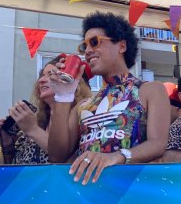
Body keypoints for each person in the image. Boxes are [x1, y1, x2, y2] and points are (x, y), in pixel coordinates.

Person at [49, 12, 170, 184]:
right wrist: (63, 96)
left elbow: (158, 144)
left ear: (121, 46)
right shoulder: (83, 105)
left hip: (131, 192)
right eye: (84, 46)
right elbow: (56, 156)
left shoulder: (150, 90)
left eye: (95, 42)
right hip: (87, 193)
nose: (88, 51)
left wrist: (116, 157)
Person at [0, 56, 91, 165]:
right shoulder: (38, 117)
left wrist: (32, 129)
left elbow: (60, 155)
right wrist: (11, 139)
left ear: (71, 80)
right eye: (42, 76)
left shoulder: (81, 108)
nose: (41, 80)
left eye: (51, 74)